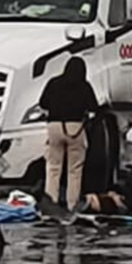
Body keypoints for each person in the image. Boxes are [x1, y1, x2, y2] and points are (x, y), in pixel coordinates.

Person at [39, 56, 98, 211]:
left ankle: (51, 203)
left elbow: (42, 104)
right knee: (75, 169)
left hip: (54, 127)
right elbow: (93, 108)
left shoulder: (53, 83)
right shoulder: (84, 86)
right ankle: (72, 205)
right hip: (75, 128)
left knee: (53, 167)